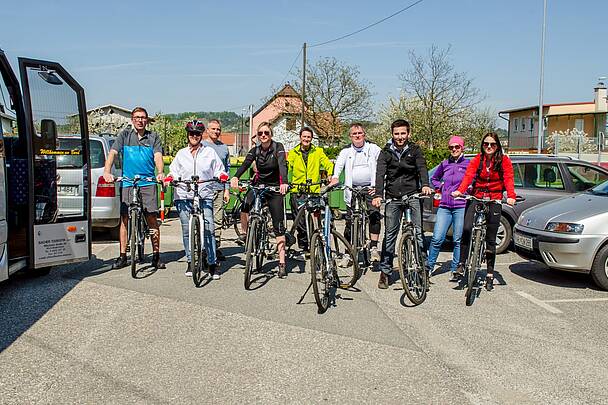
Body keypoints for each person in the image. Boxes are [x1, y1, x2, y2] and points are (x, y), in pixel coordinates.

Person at [452, 132, 516, 291]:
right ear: (482, 145)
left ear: (497, 146)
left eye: (492, 144)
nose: (489, 147)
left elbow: (508, 178)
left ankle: (489, 273)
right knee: (466, 228)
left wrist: (511, 196)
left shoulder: (504, 161)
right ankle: (461, 263)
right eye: (486, 144)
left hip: (494, 198)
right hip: (478, 195)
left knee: (491, 238)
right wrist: (461, 191)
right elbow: (468, 176)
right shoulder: (477, 160)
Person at [372, 119, 432, 289]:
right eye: (396, 134)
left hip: (412, 195)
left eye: (403, 133)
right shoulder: (385, 153)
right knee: (390, 236)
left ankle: (423, 271)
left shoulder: (415, 150)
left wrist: (425, 185)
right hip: (393, 197)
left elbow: (422, 168)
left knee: (419, 234)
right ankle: (385, 272)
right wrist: (378, 194)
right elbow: (380, 175)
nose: (400, 137)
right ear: (392, 134)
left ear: (408, 134)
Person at [103, 107, 165, 269]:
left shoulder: (153, 137)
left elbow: (158, 156)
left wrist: (160, 172)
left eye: (143, 117)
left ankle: (156, 256)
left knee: (151, 218)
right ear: (132, 119)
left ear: (147, 120)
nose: (140, 120)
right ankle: (123, 255)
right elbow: (113, 153)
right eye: (137, 117)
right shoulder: (125, 135)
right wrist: (107, 171)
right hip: (128, 183)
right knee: (124, 219)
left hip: (148, 182)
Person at [167, 120, 227, 279]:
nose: (194, 136)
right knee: (187, 231)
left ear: (202, 135)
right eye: (191, 133)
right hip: (184, 195)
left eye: (197, 134)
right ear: (188, 135)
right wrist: (170, 178)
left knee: (209, 229)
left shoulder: (209, 152)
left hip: (204, 195)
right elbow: (173, 171)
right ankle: (190, 261)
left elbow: (219, 169)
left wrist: (221, 176)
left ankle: (212, 263)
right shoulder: (181, 154)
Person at [230, 122, 289, 278]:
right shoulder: (254, 150)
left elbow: (283, 165)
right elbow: (245, 164)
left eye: (266, 133)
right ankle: (246, 235)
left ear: (271, 134)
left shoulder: (278, 147)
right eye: (261, 133)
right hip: (258, 186)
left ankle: (282, 262)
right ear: (257, 135)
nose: (263, 135)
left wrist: (284, 182)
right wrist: (236, 176)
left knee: (278, 226)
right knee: (244, 207)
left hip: (274, 188)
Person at [330, 123, 382, 265]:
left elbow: (383, 164)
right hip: (352, 188)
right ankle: (348, 254)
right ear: (350, 136)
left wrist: (379, 186)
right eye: (354, 134)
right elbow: (339, 165)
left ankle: (374, 247)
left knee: (374, 215)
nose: (357, 136)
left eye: (360, 133)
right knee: (349, 220)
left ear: (364, 134)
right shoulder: (346, 151)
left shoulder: (373, 148)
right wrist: (335, 177)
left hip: (370, 188)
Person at [426, 136, 470, 282]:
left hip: (461, 206)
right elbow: (433, 179)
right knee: (437, 238)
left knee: (458, 239)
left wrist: (467, 190)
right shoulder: (445, 164)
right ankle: (429, 267)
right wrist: (441, 187)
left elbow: (473, 181)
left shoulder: (468, 164)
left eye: (457, 147)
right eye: (451, 147)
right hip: (445, 206)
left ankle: (455, 269)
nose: (454, 150)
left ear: (462, 148)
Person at [286, 127, 334, 257]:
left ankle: (315, 242)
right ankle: (304, 246)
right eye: (304, 137)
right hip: (298, 190)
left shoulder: (318, 151)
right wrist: (284, 181)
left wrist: (329, 174)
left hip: (313, 190)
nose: (306, 139)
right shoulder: (293, 153)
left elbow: (328, 164)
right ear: (300, 138)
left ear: (311, 139)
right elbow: (286, 167)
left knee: (315, 219)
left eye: (309, 137)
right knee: (300, 220)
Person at [203, 119, 231, 262]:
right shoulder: (201, 145)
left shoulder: (224, 148)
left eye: (218, 129)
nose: (216, 131)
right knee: (205, 220)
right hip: (205, 189)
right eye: (213, 129)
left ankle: (215, 247)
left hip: (219, 189)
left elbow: (227, 170)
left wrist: (227, 190)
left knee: (218, 220)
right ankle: (203, 248)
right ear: (207, 130)